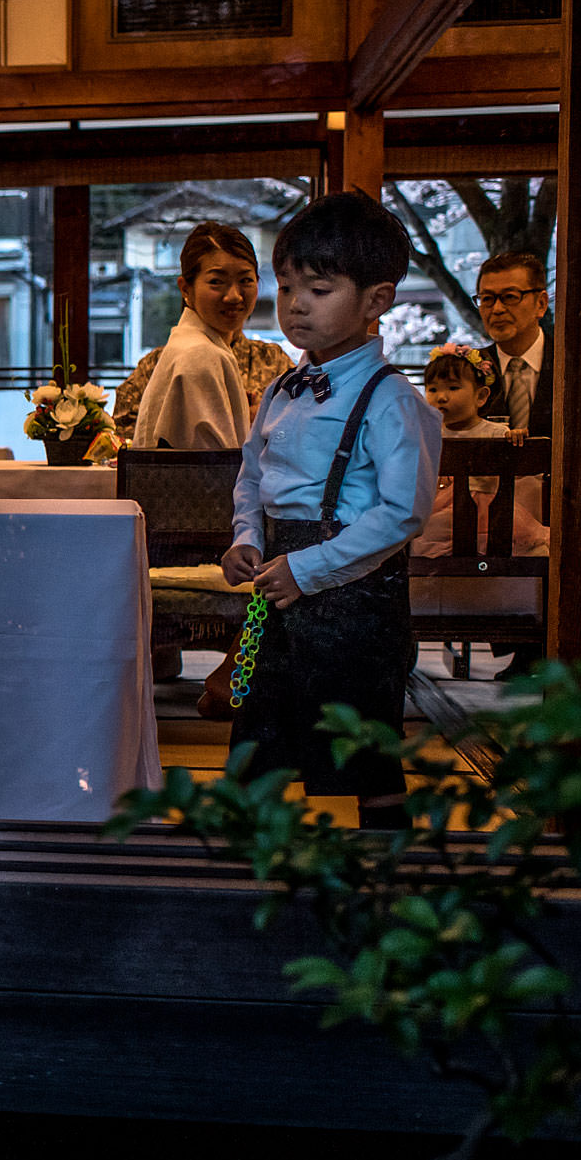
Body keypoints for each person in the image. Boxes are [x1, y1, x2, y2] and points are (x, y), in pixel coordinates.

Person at [222, 192, 437, 828]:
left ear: (376, 300)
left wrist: (308, 568)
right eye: (288, 287)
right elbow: (252, 476)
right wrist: (245, 535)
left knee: (363, 744)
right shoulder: (281, 390)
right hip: (277, 581)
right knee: (259, 726)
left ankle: (385, 875)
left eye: (318, 288)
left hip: (356, 597)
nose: (295, 305)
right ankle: (237, 873)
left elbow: (402, 513)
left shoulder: (393, 400)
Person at [111, 240, 293, 437]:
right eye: (216, 281)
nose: (234, 296)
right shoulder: (157, 366)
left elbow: (303, 430)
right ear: (186, 289)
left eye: (245, 281)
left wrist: (263, 418)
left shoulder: (274, 362)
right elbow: (124, 438)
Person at [416, 341, 545, 558]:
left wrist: (514, 437)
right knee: (430, 527)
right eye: (433, 389)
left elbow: (515, 450)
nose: (441, 397)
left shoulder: (494, 432)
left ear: (481, 396)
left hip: (492, 507)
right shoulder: (428, 434)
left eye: (453, 388)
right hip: (444, 509)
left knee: (519, 536)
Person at [473, 248, 552, 439]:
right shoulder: (469, 368)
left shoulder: (572, 365)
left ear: (540, 304)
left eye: (510, 297)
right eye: (487, 299)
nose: (497, 309)